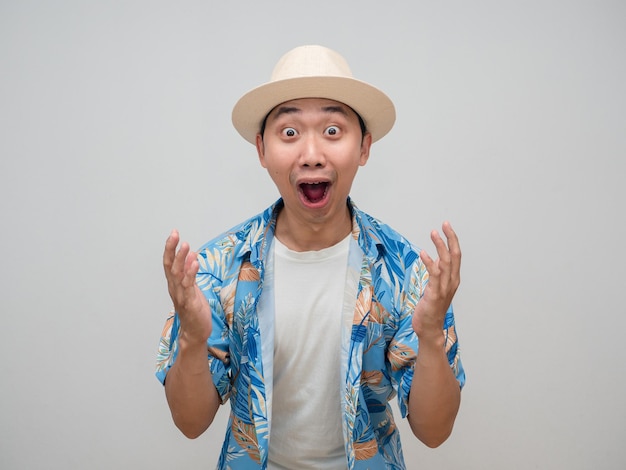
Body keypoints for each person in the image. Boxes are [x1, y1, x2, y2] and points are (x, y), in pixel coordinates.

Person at [156, 44, 466, 470]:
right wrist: (191, 338)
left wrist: (431, 337)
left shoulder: (405, 270)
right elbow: (190, 423)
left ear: (364, 148)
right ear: (262, 150)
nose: (312, 153)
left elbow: (435, 433)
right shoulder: (216, 267)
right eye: (290, 133)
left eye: (333, 131)